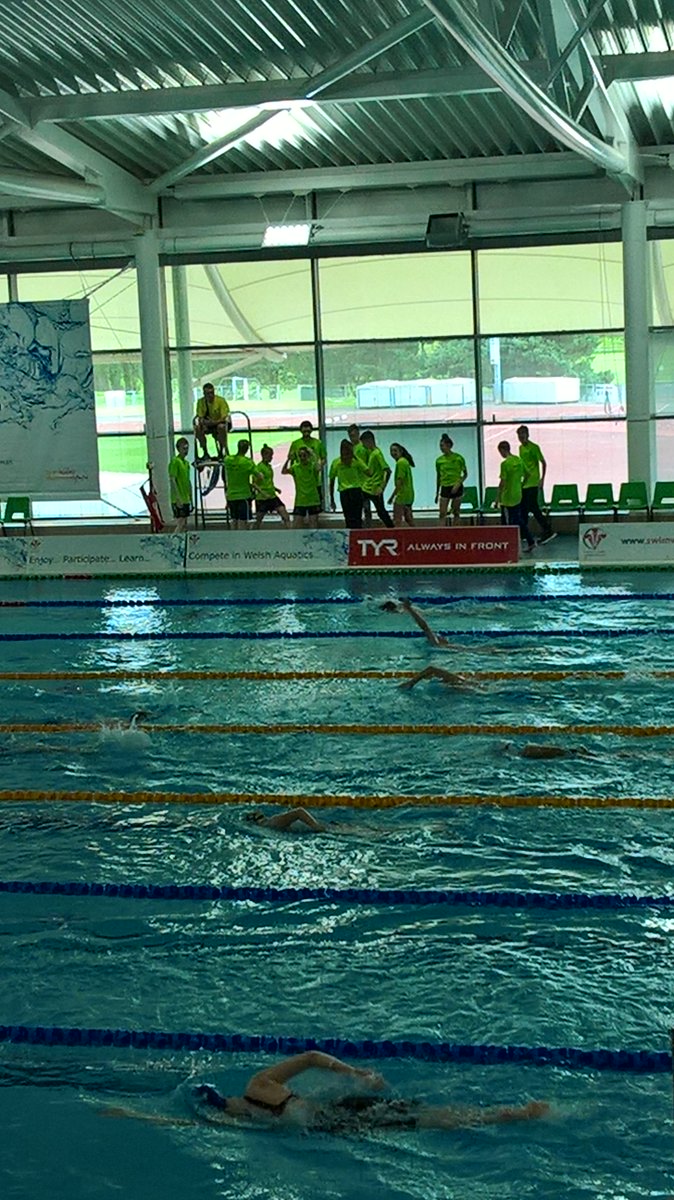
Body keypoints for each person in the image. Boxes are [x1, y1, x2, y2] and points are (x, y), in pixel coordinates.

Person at [103, 1050, 549, 1134]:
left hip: (339, 1120)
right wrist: (354, 1073)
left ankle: (511, 1114)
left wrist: (135, 1116)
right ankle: (509, 1112)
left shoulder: (248, 1110)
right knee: (427, 1114)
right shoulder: (254, 1094)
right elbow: (313, 1056)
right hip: (340, 1111)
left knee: (428, 1120)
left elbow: (183, 1124)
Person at [516, 426, 555, 546]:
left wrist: (542, 479)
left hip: (533, 482)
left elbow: (543, 462)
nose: (521, 437)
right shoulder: (520, 448)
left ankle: (547, 529)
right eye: (519, 435)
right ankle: (524, 533)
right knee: (523, 508)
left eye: (523, 435)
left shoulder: (534, 447)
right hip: (525, 482)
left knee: (533, 507)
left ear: (527, 435)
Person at [496, 441, 535, 552]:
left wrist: (497, 497)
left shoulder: (505, 464)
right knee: (517, 519)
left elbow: (503, 482)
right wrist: (521, 485)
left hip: (507, 496)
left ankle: (510, 544)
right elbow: (528, 474)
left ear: (503, 450)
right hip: (518, 494)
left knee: (507, 522)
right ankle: (529, 541)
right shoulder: (518, 460)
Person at [329, 439, 370, 529]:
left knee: (351, 518)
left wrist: (332, 498)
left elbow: (331, 482)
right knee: (354, 518)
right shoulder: (351, 461)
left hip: (350, 492)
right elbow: (369, 472)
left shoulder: (339, 462)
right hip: (351, 491)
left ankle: (353, 534)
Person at [282, 445, 321, 529]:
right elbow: (283, 471)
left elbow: (319, 468)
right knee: (296, 524)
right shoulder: (295, 467)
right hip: (300, 500)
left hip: (313, 499)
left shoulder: (313, 465)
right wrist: (288, 459)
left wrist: (313, 455)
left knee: (313, 524)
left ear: (308, 456)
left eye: (304, 455)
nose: (302, 458)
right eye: (300, 456)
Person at [360, 430, 393, 527]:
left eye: (364, 443)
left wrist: (382, 487)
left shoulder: (377, 454)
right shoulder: (372, 453)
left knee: (381, 512)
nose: (363, 446)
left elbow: (388, 471)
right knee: (361, 507)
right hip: (368, 487)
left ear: (369, 441)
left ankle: (392, 529)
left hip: (375, 488)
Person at [252, 445, 290, 529]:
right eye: (270, 456)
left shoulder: (269, 467)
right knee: (258, 520)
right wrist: (263, 493)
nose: (271, 458)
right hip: (262, 498)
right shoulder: (259, 468)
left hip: (272, 496)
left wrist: (275, 489)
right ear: (264, 455)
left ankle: (289, 531)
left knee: (284, 514)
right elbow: (254, 484)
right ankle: (253, 532)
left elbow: (268, 481)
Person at [223, 438, 256, 530]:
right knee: (242, 521)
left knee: (233, 520)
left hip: (231, 496)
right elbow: (259, 476)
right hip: (243, 496)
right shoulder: (248, 462)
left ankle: (233, 537)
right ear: (247, 449)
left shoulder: (228, 460)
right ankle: (241, 538)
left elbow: (225, 455)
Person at [193, 382, 231, 460]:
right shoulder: (201, 402)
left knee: (221, 427)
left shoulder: (221, 401)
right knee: (197, 428)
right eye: (208, 393)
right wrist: (204, 423)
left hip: (219, 423)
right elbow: (200, 417)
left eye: (212, 393)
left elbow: (224, 417)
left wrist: (214, 422)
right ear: (204, 394)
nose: (210, 395)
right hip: (207, 424)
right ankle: (205, 452)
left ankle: (222, 452)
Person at [435, 434, 467, 526]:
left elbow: (465, 474)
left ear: (449, 445)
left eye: (442, 445)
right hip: (445, 487)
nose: (441, 448)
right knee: (442, 513)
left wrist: (458, 483)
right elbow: (438, 477)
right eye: (440, 446)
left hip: (456, 487)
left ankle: (456, 531)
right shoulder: (439, 461)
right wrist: (437, 493)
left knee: (456, 512)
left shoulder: (458, 458)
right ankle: (442, 532)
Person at [168, 437, 192, 532]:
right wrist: (178, 498)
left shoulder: (186, 463)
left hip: (186, 498)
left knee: (184, 524)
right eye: (184, 448)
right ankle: (174, 538)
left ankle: (182, 539)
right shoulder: (175, 461)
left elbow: (188, 480)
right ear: (178, 449)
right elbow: (173, 480)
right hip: (178, 498)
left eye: (187, 448)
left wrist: (190, 497)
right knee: (180, 523)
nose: (186, 451)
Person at [388, 443, 415, 527]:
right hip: (409, 495)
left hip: (402, 495)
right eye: (391, 451)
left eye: (395, 450)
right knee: (409, 518)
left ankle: (397, 534)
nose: (393, 453)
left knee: (397, 520)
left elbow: (399, 482)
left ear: (401, 451)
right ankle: (416, 533)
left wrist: (392, 497)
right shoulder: (405, 461)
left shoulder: (400, 463)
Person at [244, 807, 327, 832]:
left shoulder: (271, 825)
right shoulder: (273, 822)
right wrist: (317, 827)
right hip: (324, 828)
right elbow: (299, 811)